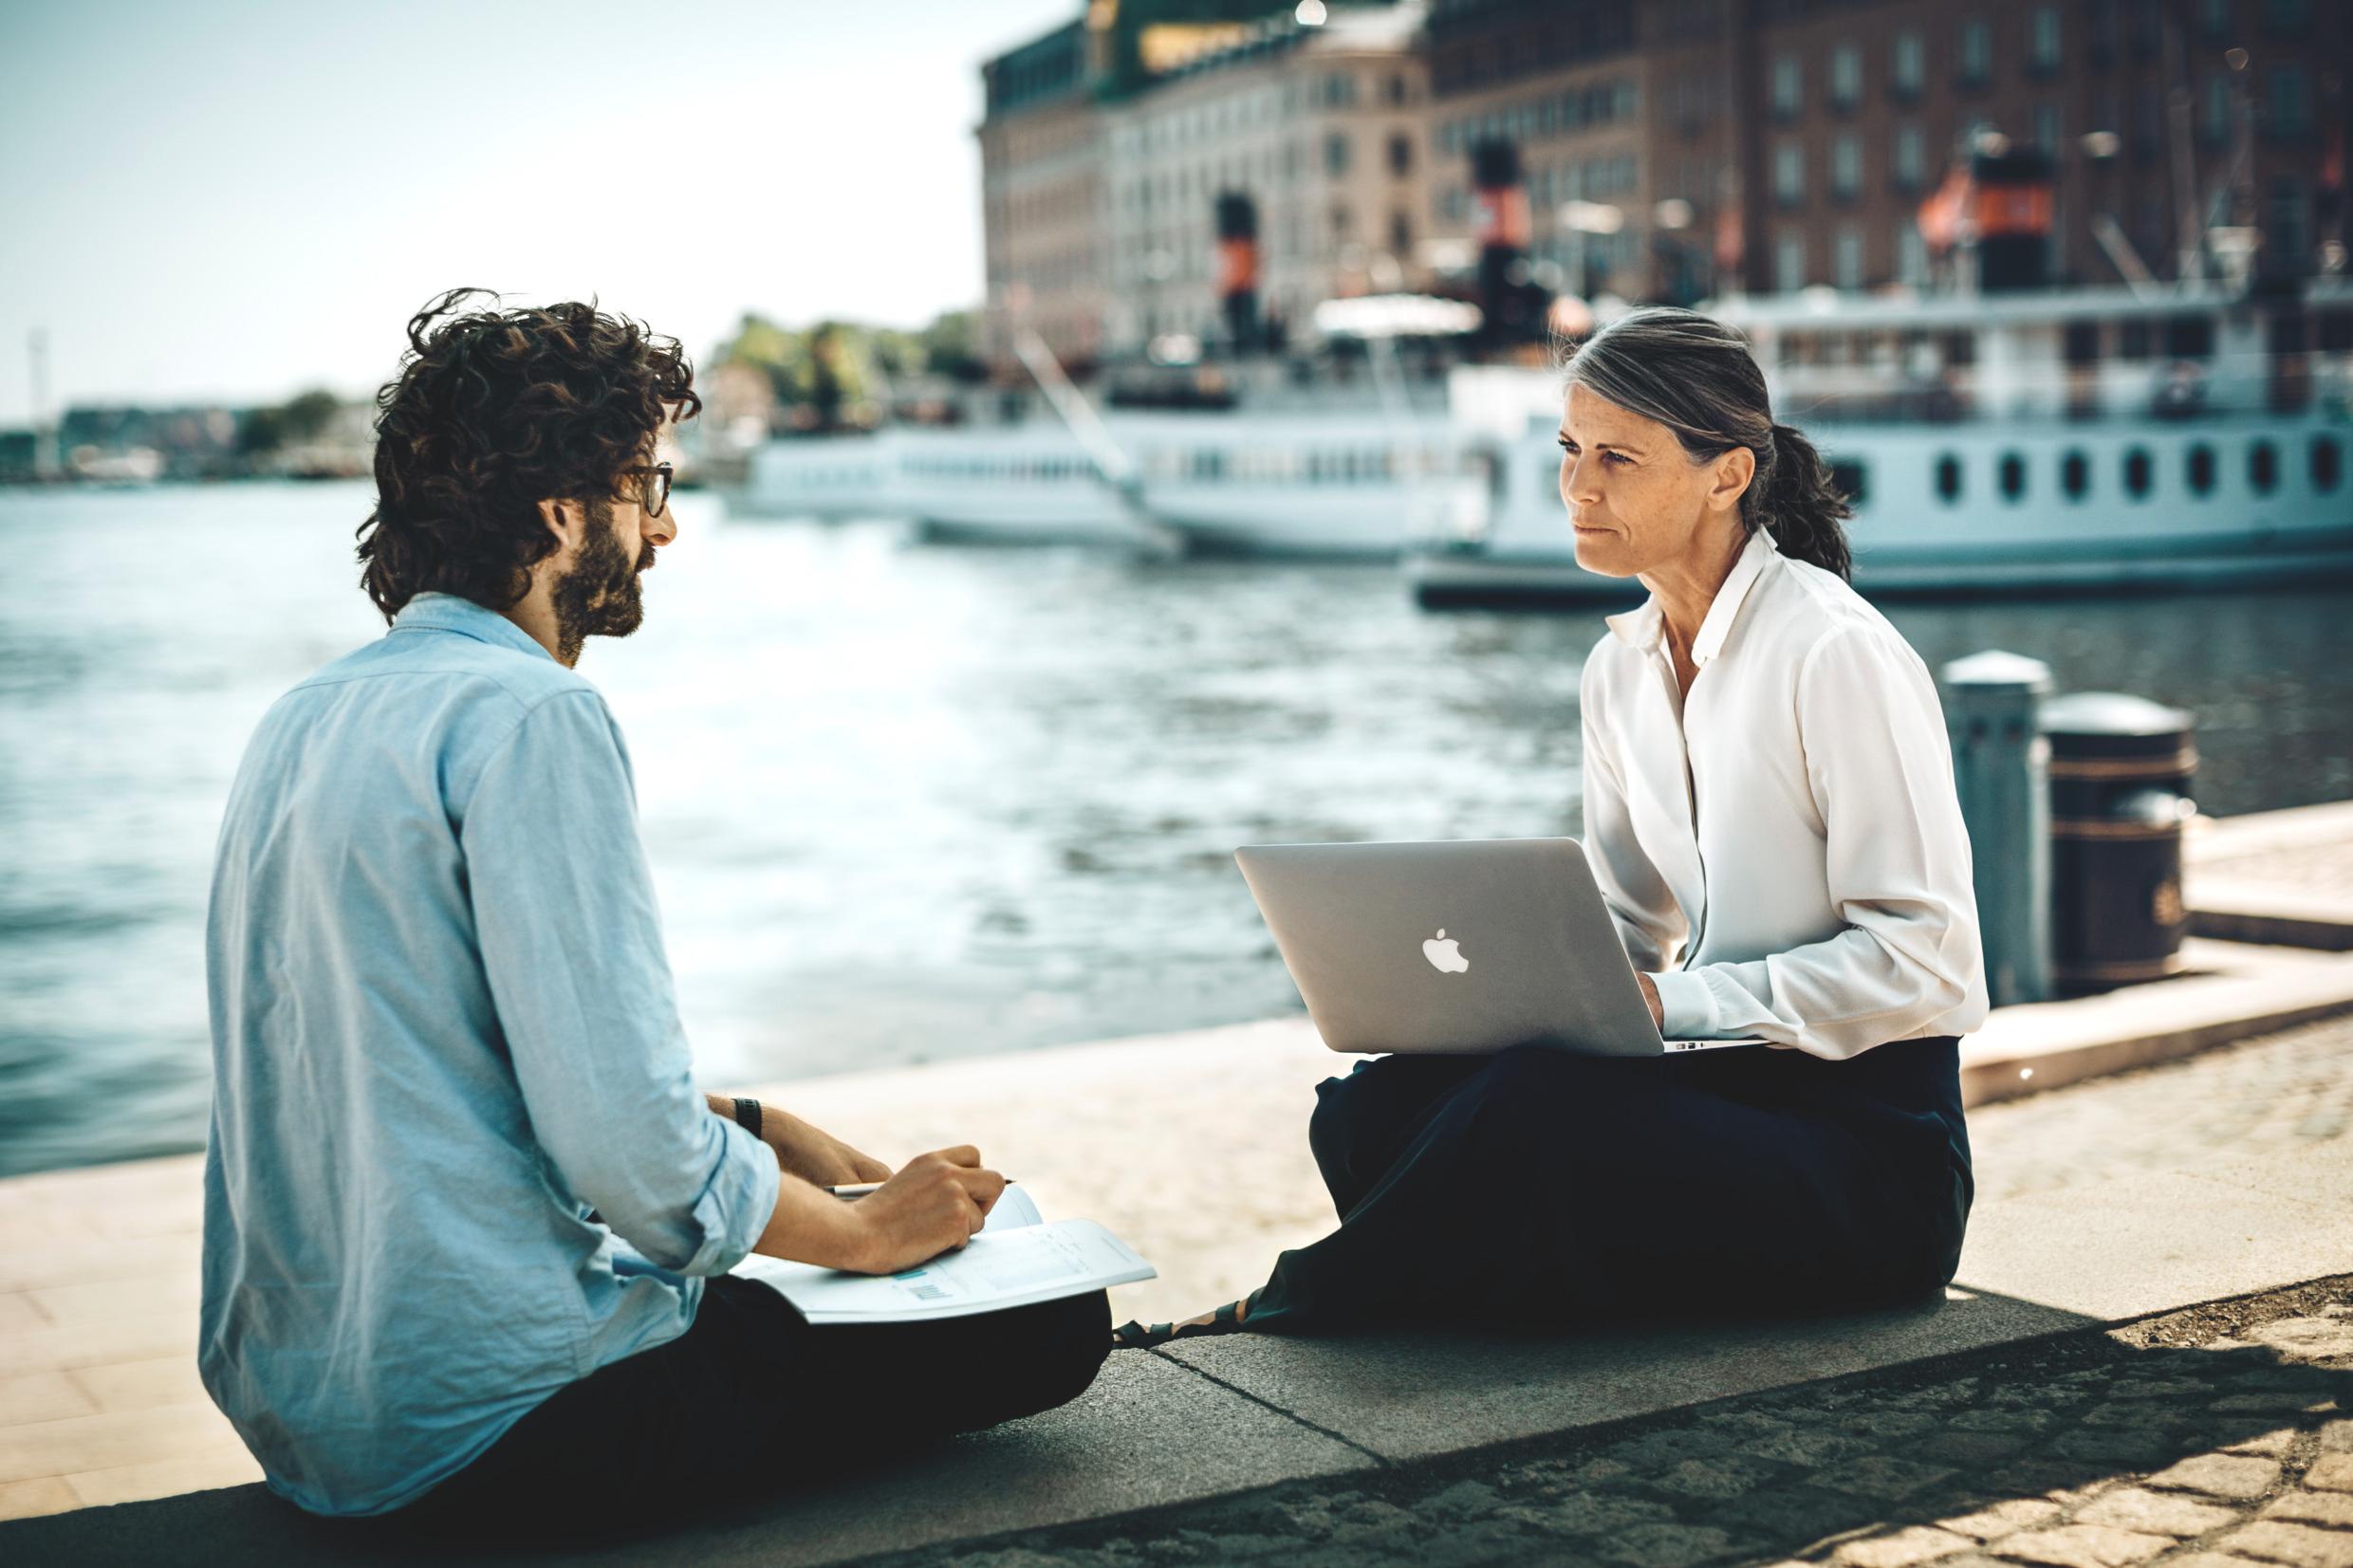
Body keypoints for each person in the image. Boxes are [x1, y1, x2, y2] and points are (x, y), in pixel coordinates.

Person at [198, 289, 1109, 1533]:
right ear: (565, 510)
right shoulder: (533, 718)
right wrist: (873, 1235)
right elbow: (631, 1160)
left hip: (315, 1415)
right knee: (1052, 1315)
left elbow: (421, 1059)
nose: (666, 528)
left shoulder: (300, 720)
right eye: (648, 484)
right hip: (502, 1423)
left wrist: (747, 1122)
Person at [1115, 305, 1983, 1347]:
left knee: (1530, 1114)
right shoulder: (1617, 670)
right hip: (1724, 1094)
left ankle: (1293, 1301)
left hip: (1871, 1149)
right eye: (1570, 449)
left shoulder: (1829, 650)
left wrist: (1667, 1006)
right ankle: (1474, 1277)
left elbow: (1925, 964)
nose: (1576, 487)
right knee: (1368, 1109)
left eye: (1616, 457)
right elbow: (1618, 930)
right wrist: (1491, 1002)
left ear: (1727, 474)